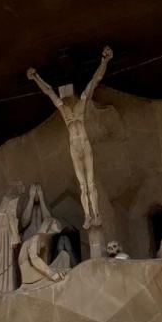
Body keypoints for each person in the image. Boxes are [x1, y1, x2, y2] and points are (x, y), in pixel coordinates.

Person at [27, 48, 113, 229]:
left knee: (91, 182)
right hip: (74, 147)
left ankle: (96, 214)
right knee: (83, 185)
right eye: (64, 96)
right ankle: (88, 216)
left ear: (72, 94)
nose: (65, 98)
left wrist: (104, 61)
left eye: (67, 95)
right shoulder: (63, 109)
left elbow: (95, 80)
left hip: (84, 144)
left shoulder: (82, 103)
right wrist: (35, 77)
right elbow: (49, 92)